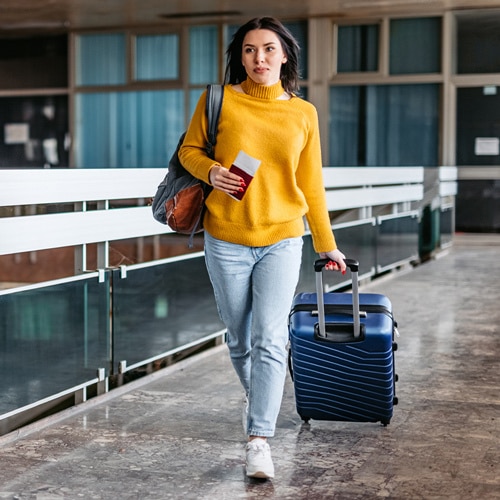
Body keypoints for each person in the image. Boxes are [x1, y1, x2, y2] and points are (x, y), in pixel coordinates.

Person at [178, 16, 346, 480]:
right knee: (239, 338)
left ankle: (259, 438)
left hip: (283, 238)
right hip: (226, 237)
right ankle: (260, 405)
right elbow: (189, 151)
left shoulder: (303, 113)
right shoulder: (219, 100)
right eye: (250, 50)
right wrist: (211, 171)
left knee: (271, 338)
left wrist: (326, 243)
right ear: (241, 56)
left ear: (285, 54)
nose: (259, 58)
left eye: (269, 49)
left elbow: (311, 185)